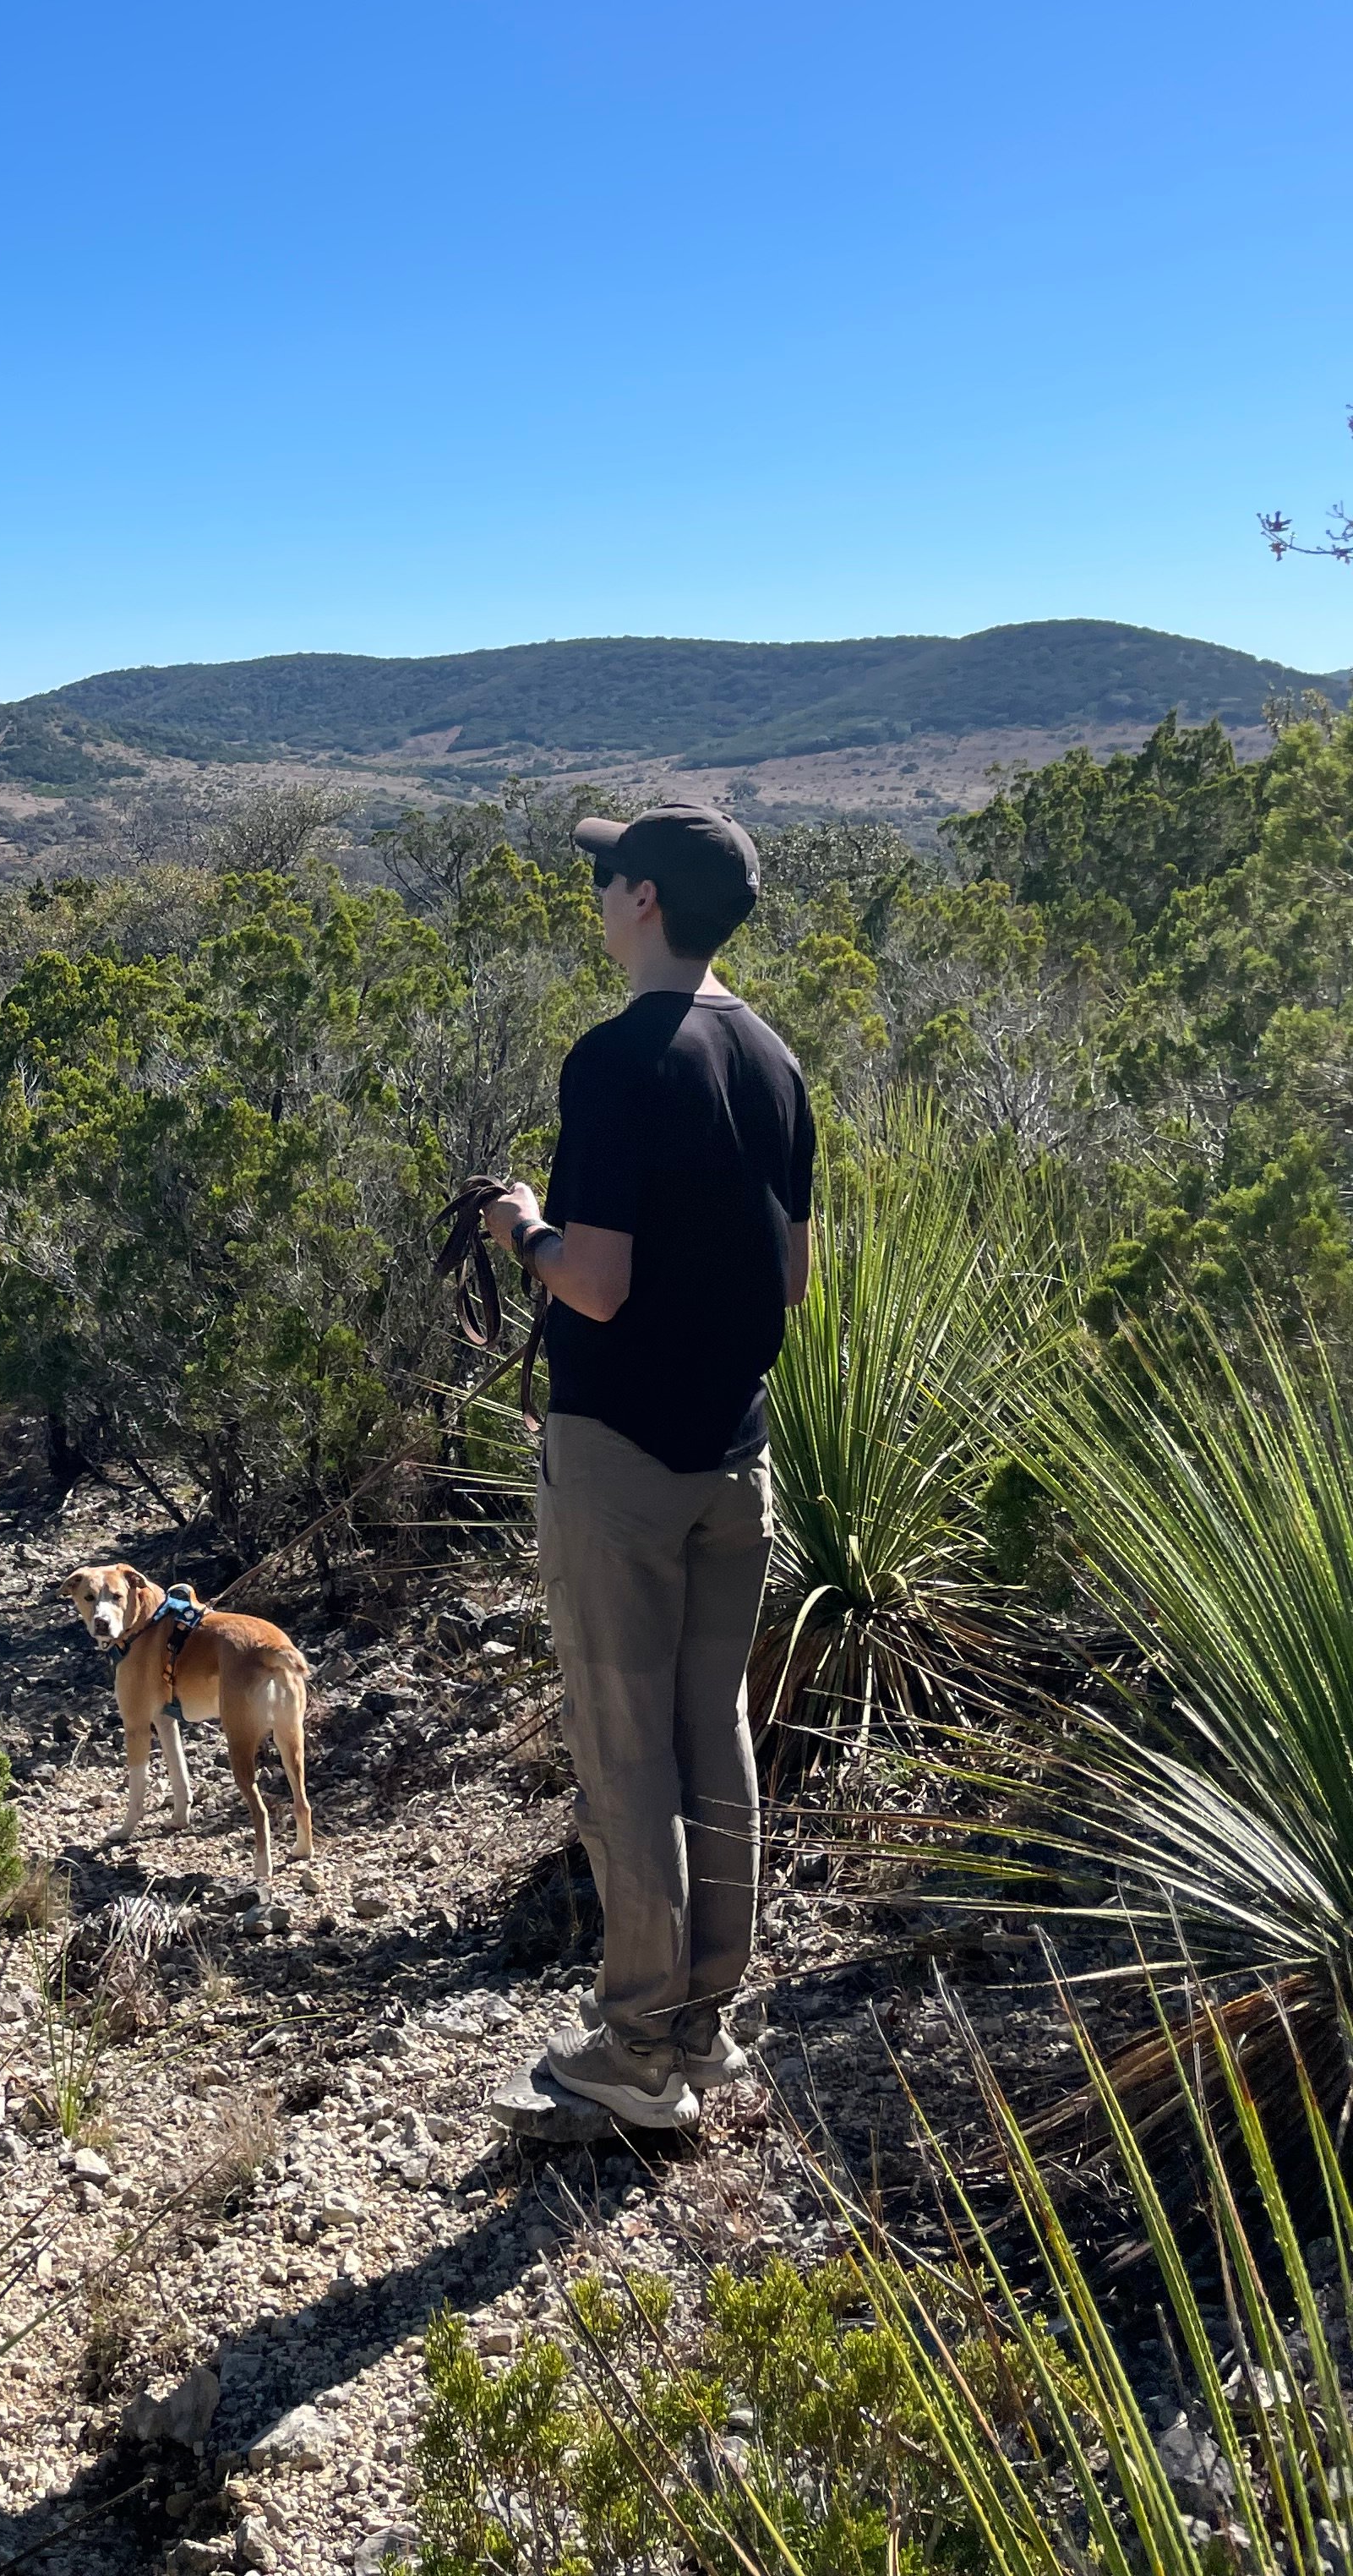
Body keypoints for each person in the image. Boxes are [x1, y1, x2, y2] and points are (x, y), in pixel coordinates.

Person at [484, 805, 813, 2132]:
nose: (600, 889)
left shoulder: (619, 1061)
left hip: (620, 1460)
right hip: (738, 1460)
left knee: (625, 1755)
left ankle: (632, 2056)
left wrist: (525, 1232)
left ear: (643, 905)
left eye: (607, 873)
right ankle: (706, 2023)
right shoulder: (774, 1060)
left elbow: (598, 1286)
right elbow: (792, 1278)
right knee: (713, 1736)